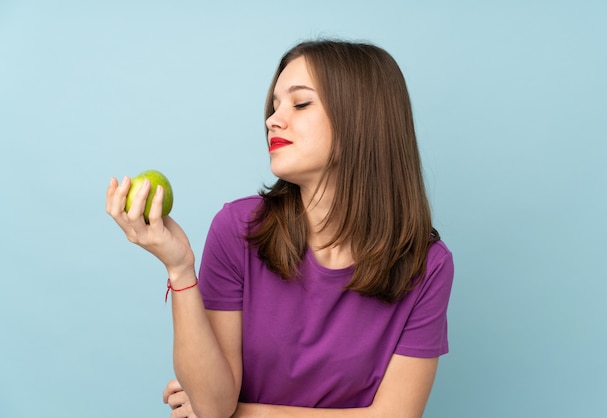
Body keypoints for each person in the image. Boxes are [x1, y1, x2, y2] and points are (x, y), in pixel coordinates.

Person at [106, 39, 454, 418]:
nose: (274, 119)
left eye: (300, 104)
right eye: (274, 106)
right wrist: (180, 269)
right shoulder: (237, 230)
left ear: (362, 119)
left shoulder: (427, 265)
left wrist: (244, 413)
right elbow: (213, 405)